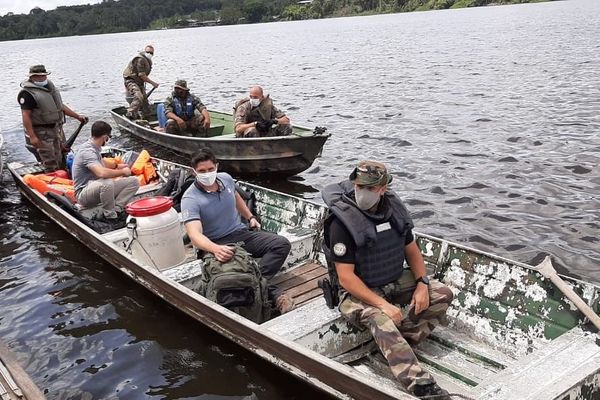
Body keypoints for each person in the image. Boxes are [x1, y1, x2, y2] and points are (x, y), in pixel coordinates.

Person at [321, 161, 454, 400]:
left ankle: (403, 342)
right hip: (356, 292)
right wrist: (382, 305)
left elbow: (412, 250)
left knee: (443, 293)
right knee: (380, 319)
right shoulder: (342, 222)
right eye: (359, 185)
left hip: (392, 280)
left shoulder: (394, 210)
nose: (362, 191)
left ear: (383, 188)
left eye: (370, 188)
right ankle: (421, 386)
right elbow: (346, 278)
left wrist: (423, 283)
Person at [181, 147, 294, 313]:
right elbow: (194, 234)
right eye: (202, 171)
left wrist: (250, 217)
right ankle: (274, 293)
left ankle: (255, 281)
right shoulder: (190, 198)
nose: (207, 173)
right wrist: (216, 249)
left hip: (241, 234)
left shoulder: (225, 179)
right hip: (215, 244)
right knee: (232, 274)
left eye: (211, 169)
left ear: (217, 166)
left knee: (281, 244)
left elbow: (235, 197)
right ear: (194, 172)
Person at [18, 64, 88, 172]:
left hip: (56, 129)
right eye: (38, 76)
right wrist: (32, 137)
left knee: (61, 156)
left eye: (43, 76)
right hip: (42, 132)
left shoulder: (50, 88)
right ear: (31, 77)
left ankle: (64, 176)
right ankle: (52, 180)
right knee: (49, 160)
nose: (41, 78)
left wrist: (77, 116)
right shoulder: (27, 94)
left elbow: (60, 107)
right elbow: (25, 115)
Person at [72, 120, 139, 220]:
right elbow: (101, 173)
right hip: (83, 194)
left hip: (96, 188)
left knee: (133, 181)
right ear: (105, 137)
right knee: (106, 183)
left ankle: (117, 209)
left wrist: (117, 166)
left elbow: (102, 163)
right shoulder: (88, 151)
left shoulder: (95, 148)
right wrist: (122, 172)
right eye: (109, 137)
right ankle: (110, 216)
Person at [123, 44, 158, 120]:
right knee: (139, 96)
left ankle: (145, 118)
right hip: (131, 80)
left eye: (151, 53)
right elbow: (142, 75)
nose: (149, 54)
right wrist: (153, 83)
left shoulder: (148, 61)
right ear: (145, 51)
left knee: (145, 105)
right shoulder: (140, 59)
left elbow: (143, 76)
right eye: (148, 52)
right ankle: (130, 112)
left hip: (139, 82)